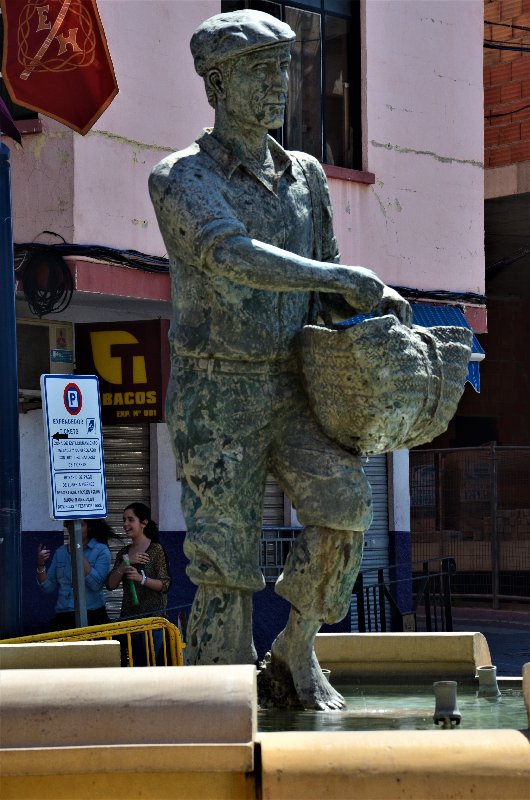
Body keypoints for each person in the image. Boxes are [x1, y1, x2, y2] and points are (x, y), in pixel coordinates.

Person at [148, 9, 411, 709]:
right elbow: (228, 254)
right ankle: (219, 697)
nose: (279, 85)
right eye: (260, 71)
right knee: (224, 562)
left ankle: (295, 650)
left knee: (347, 506)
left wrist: (370, 309)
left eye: (284, 69)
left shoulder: (306, 177)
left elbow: (322, 283)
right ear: (215, 82)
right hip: (217, 391)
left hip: (295, 382)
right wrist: (338, 279)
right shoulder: (180, 176)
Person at [106, 503, 171, 665]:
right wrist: (125, 564)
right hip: (129, 621)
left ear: (144, 523)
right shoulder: (124, 553)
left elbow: (165, 584)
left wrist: (141, 579)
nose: (125, 524)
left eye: (130, 520)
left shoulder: (156, 550)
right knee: (135, 666)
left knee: (153, 667)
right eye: (124, 520)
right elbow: (110, 584)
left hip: (153, 622)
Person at [36, 518, 113, 631]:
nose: (75, 530)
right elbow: (48, 587)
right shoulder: (61, 552)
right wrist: (40, 564)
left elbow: (96, 585)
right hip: (65, 615)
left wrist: (77, 552)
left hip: (92, 614)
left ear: (89, 527)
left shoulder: (100, 550)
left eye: (80, 525)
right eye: (70, 526)